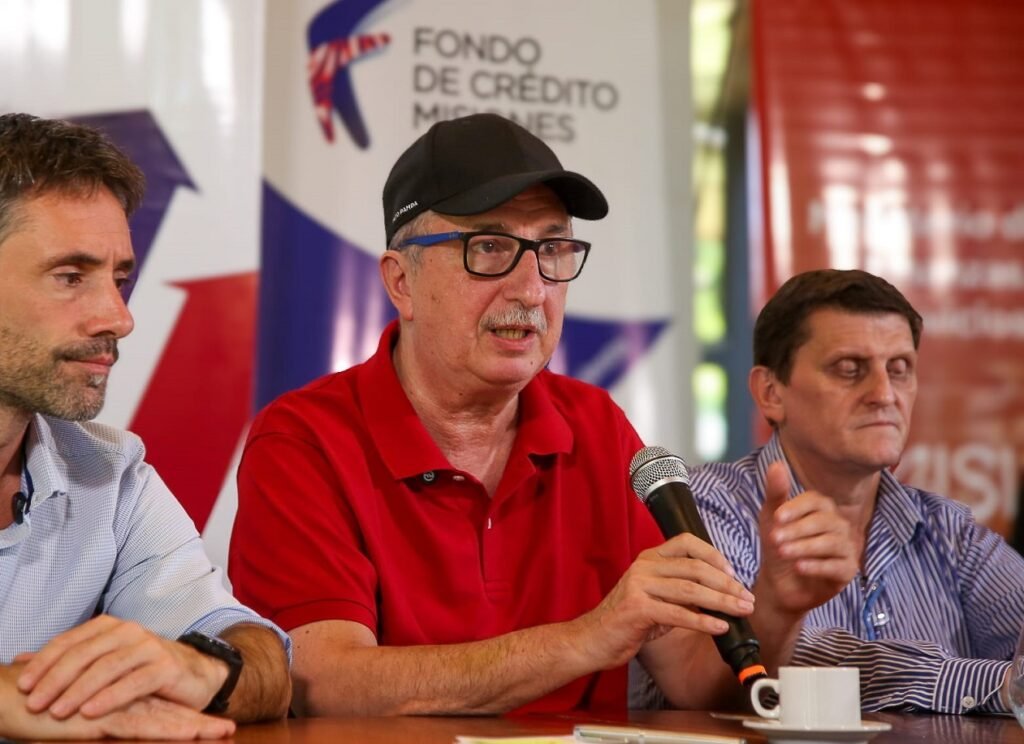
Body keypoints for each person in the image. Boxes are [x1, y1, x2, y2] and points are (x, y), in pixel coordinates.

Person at [230, 113, 858, 716]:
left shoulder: (596, 426)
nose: (532, 289)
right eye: (489, 247)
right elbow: (324, 683)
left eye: (552, 249)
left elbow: (697, 683)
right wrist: (589, 636)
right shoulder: (304, 440)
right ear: (402, 282)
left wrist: (777, 605)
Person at [0, 113, 291, 739]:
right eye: (71, 277)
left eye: (119, 279)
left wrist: (199, 668)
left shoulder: (110, 474)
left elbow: (265, 661)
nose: (119, 317)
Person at [692, 268, 1024, 714]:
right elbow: (773, 664)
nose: (883, 394)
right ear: (771, 393)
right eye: (849, 370)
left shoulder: (950, 531)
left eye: (899, 369)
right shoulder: (709, 506)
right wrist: (1004, 686)